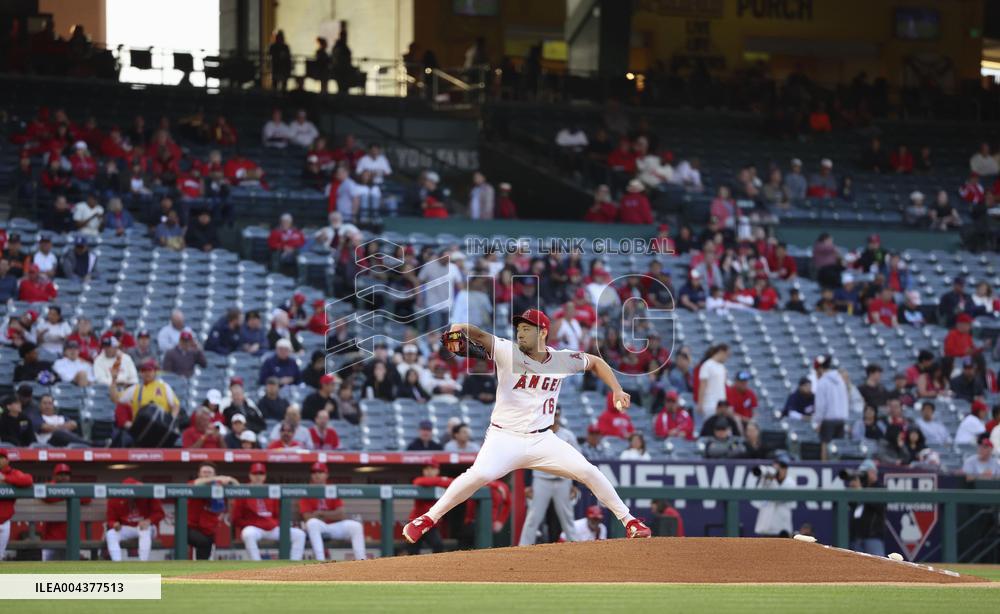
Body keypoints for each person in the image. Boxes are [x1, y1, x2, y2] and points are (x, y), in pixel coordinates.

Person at [402, 310, 653, 544]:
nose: (520, 333)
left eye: (526, 329)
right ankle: (428, 519)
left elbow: (596, 362)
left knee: (589, 471)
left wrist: (617, 389)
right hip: (504, 438)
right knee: (478, 475)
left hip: (542, 440)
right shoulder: (508, 352)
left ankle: (629, 521)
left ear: (543, 332)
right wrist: (460, 326)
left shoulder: (562, 360)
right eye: (519, 328)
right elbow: (478, 335)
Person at [519, 407, 581, 546]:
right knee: (533, 517)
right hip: (541, 480)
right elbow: (529, 458)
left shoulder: (568, 436)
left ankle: (575, 546)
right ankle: (523, 546)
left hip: (563, 480)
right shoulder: (537, 433)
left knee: (567, 518)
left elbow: (576, 459)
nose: (555, 417)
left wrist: (575, 484)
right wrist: (528, 484)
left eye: (557, 415)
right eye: (553, 414)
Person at [232, 463, 306, 560]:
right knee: (248, 534)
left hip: (271, 528)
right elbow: (236, 519)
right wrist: (255, 523)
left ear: (265, 476)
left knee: (299, 534)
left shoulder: (271, 490)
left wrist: (272, 523)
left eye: (261, 474)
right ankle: (257, 565)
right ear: (250, 475)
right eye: (255, 474)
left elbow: (278, 516)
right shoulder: (244, 491)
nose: (258, 477)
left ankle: (293, 564)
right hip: (254, 529)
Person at [300, 462, 366, 560]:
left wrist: (321, 513)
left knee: (356, 526)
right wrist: (330, 514)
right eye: (314, 472)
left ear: (326, 475)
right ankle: (320, 560)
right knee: (312, 523)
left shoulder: (332, 489)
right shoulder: (307, 491)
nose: (317, 474)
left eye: (320, 472)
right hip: (319, 526)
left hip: (334, 526)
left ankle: (362, 561)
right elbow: (307, 517)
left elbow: (341, 514)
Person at [186, 462, 239, 560]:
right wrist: (215, 478)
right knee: (203, 542)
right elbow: (196, 484)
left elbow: (237, 487)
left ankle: (201, 568)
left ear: (214, 474)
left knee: (206, 546)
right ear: (199, 474)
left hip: (208, 530)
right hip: (189, 528)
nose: (206, 474)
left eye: (209, 472)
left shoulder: (219, 486)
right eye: (204, 472)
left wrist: (229, 479)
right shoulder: (194, 483)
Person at [105, 477, 164, 562]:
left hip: (147, 527)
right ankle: (117, 563)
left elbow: (159, 513)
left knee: (144, 530)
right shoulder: (115, 498)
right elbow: (110, 519)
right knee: (111, 534)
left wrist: (149, 521)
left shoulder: (147, 493)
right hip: (127, 527)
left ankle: (143, 562)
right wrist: (114, 524)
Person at [408, 460, 452, 554]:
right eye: (426, 469)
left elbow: (452, 482)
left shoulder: (438, 483)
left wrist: (436, 481)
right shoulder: (420, 481)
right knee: (412, 549)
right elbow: (418, 481)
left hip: (430, 524)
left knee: (438, 545)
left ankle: (435, 563)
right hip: (416, 522)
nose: (429, 471)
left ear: (437, 471)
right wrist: (441, 480)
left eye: (432, 468)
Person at [812, 354, 849, 460]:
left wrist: (818, 421)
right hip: (841, 418)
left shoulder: (823, 382)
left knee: (825, 446)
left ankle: (824, 467)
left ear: (820, 369)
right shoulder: (840, 380)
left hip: (828, 419)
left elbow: (821, 405)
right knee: (838, 448)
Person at [846, 460, 886, 555]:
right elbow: (851, 504)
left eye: (865, 472)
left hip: (872, 537)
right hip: (856, 537)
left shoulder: (880, 488)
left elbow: (879, 506)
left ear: (873, 472)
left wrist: (860, 490)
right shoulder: (860, 487)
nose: (862, 475)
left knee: (877, 562)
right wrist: (852, 490)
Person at [0, 448, 34, 556]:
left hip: (5, 521)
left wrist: (6, 479)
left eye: (1, 458)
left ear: (7, 460)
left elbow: (28, 480)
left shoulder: (12, 473)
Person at [752, 454, 795, 537]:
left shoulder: (790, 482)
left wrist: (773, 480)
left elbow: (780, 496)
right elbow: (759, 493)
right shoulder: (768, 480)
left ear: (785, 469)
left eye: (781, 468)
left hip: (782, 527)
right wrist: (765, 479)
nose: (778, 471)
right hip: (766, 526)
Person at [697, 344, 729, 427]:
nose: (727, 358)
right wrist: (700, 403)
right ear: (721, 352)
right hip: (709, 404)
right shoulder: (707, 365)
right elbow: (703, 385)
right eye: (727, 355)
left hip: (721, 404)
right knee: (709, 426)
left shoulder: (722, 367)